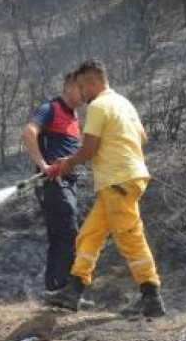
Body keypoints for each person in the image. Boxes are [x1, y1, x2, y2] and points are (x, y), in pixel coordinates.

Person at [44, 59, 166, 318]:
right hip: (123, 180)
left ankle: (151, 296)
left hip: (118, 181)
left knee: (130, 237)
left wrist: (66, 164)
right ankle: (73, 291)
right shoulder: (124, 103)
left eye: (82, 87)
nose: (81, 94)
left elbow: (89, 149)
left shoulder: (99, 106)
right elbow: (141, 137)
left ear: (93, 82)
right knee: (90, 235)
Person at [21, 72, 84, 292]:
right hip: (54, 183)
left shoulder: (75, 117)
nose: (84, 93)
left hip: (69, 182)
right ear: (67, 87)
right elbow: (29, 132)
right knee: (68, 232)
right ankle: (65, 289)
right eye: (80, 87)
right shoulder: (50, 108)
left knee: (60, 235)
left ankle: (54, 290)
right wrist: (44, 165)